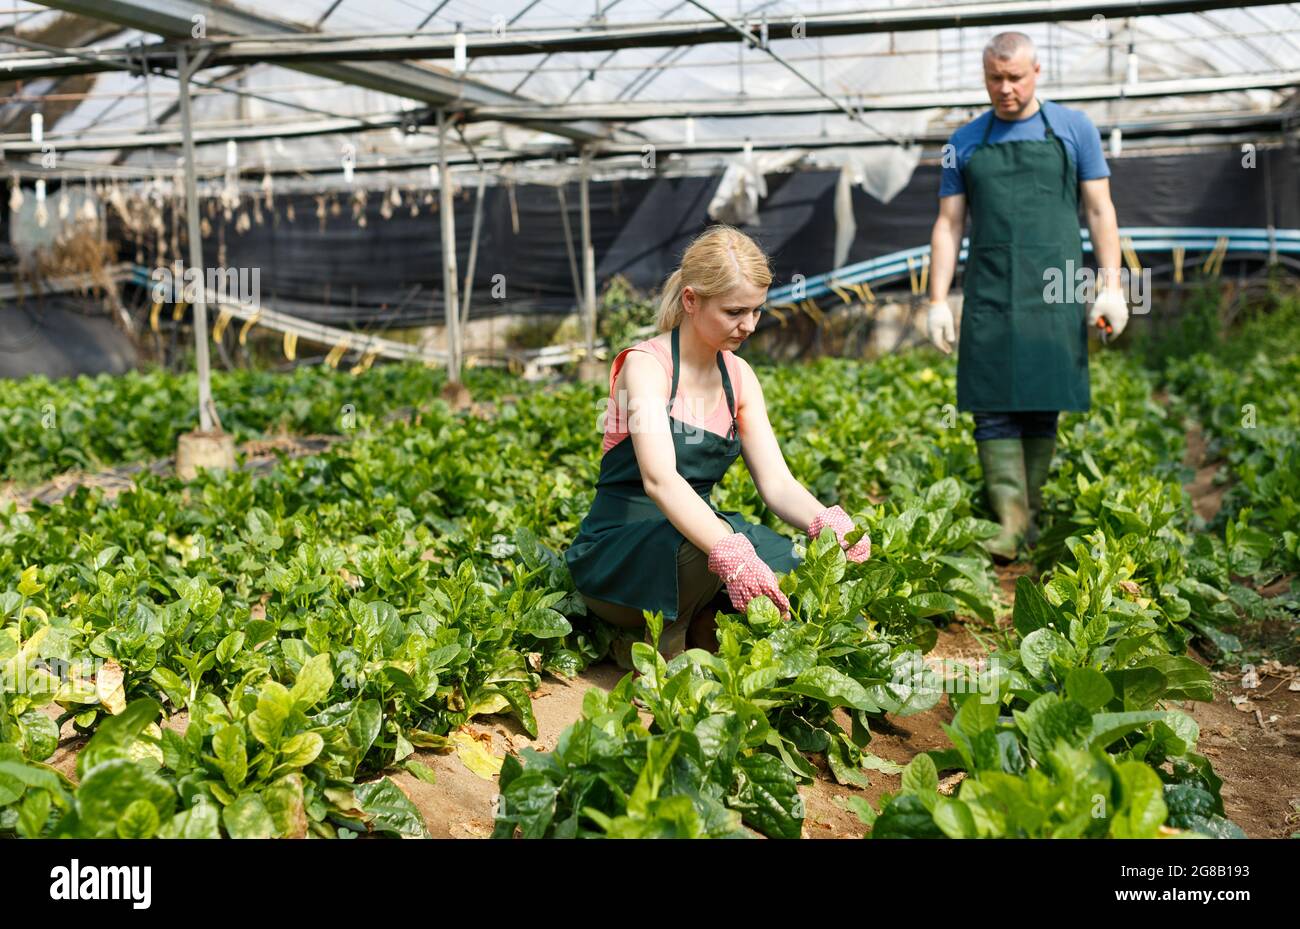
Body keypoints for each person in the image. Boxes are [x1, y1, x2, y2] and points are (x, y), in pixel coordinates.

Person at [564, 225, 871, 667]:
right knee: (714, 542)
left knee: (799, 568)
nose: (748, 325)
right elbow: (659, 480)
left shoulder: (739, 377)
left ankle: (700, 628)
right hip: (622, 554)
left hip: (696, 543)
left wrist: (827, 524)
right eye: (734, 312)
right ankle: (655, 648)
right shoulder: (645, 367)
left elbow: (777, 484)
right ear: (691, 300)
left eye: (757, 311)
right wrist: (730, 551)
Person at [925, 31, 1129, 562]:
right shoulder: (964, 140)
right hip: (991, 289)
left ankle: (1030, 512)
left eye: (1015, 77)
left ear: (1037, 71)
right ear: (984, 75)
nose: (1005, 88)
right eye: (995, 78)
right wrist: (936, 299)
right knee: (990, 406)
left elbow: (1101, 210)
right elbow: (948, 225)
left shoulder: (1074, 128)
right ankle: (1011, 522)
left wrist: (1112, 286)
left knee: (1043, 405)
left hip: (1056, 286)